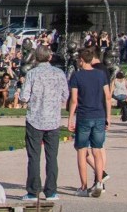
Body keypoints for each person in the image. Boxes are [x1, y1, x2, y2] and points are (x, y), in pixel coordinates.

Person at [19, 48, 67, 202]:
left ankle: (33, 191)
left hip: (35, 118)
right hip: (53, 120)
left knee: (34, 157)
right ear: (50, 57)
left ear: (36, 58)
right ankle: (51, 191)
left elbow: (24, 97)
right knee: (52, 157)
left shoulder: (32, 73)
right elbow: (65, 95)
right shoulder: (59, 73)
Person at [65, 50, 112, 197]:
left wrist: (70, 119)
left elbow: (74, 100)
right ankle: (99, 182)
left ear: (81, 60)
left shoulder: (77, 76)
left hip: (84, 116)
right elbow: (108, 97)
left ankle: (84, 187)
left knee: (82, 151)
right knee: (97, 150)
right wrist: (108, 117)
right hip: (99, 115)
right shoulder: (101, 75)